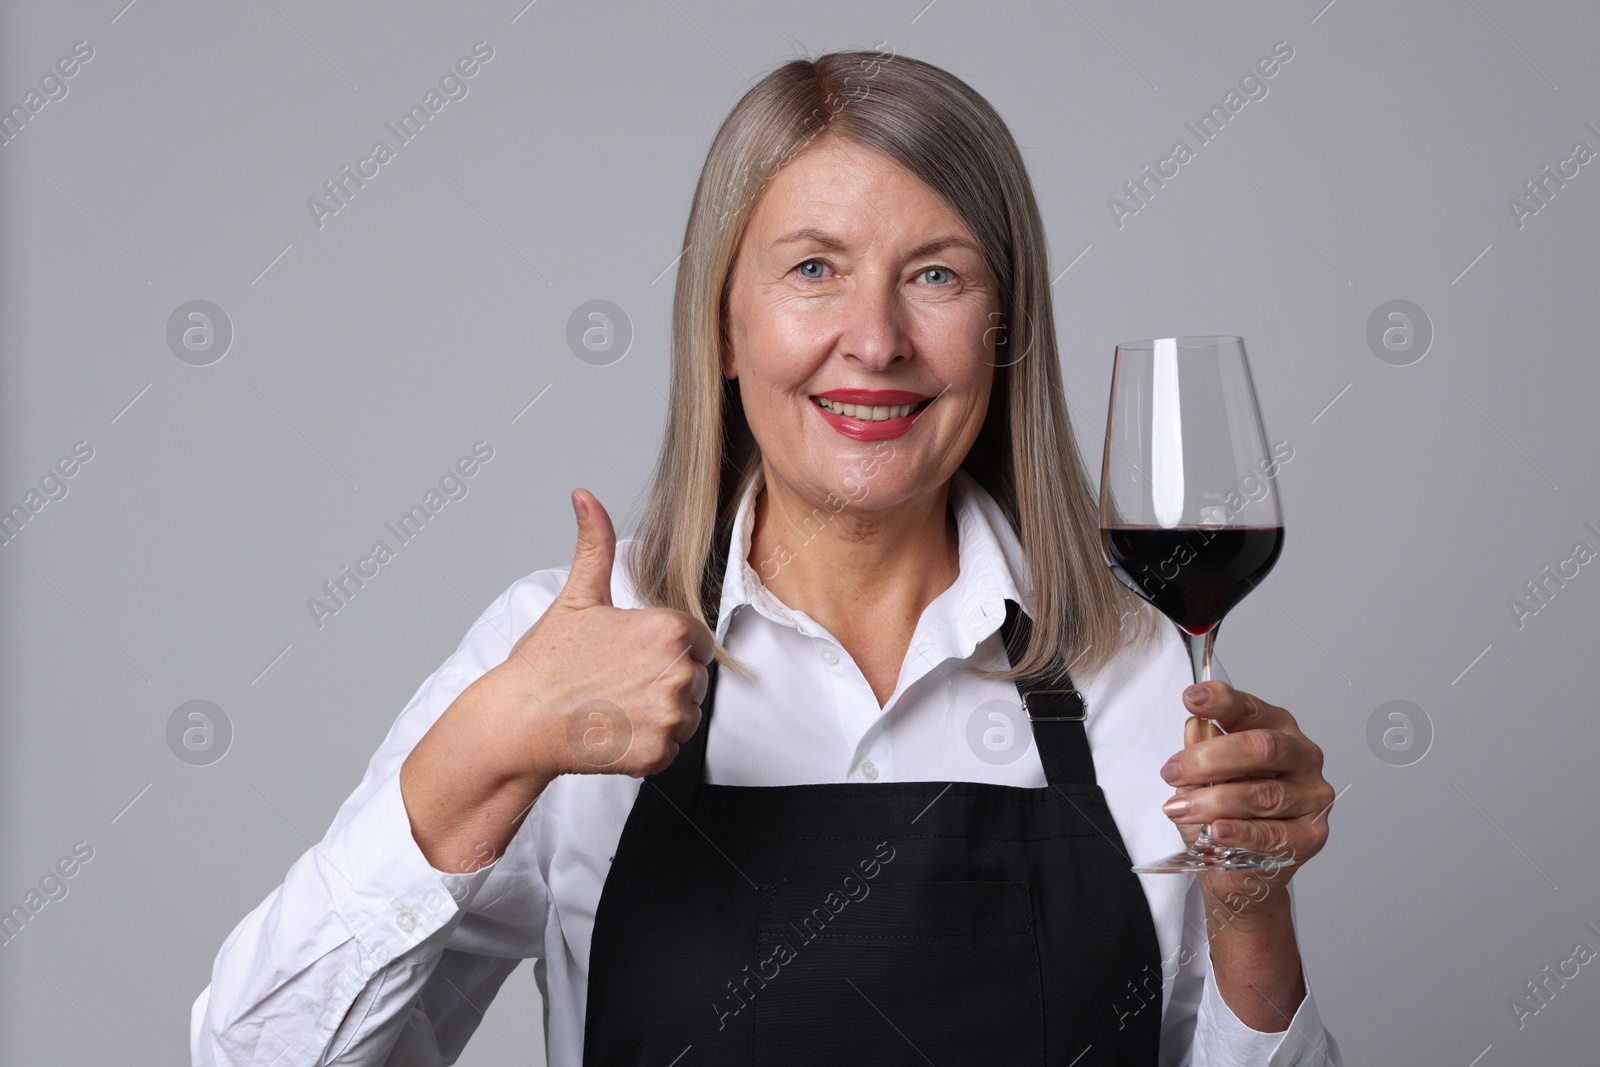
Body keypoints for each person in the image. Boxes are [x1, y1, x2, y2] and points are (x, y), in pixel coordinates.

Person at [192, 48, 1341, 1066]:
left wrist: (1249, 908)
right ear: (722, 327)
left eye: (936, 273)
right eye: (812, 269)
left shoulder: (1136, 674)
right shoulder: (561, 656)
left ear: (1006, 330)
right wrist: (487, 743)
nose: (878, 339)